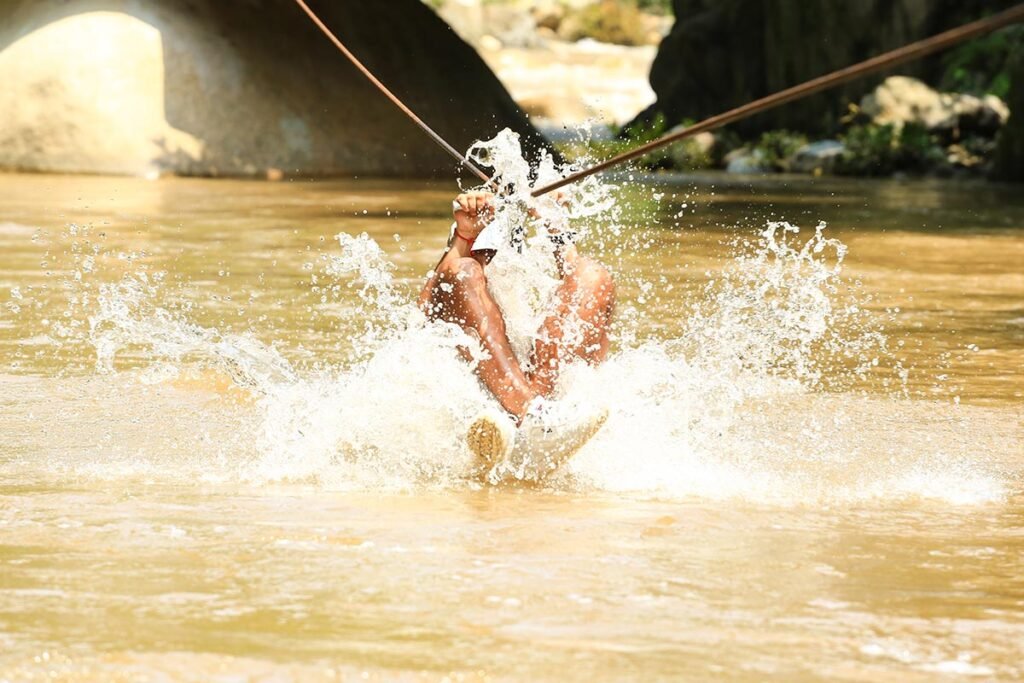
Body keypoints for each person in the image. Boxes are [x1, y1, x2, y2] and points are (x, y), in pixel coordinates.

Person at [419, 190, 615, 483]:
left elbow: (580, 281)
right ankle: (536, 422)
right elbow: (429, 307)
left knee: (593, 275)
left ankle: (540, 424)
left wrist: (556, 226)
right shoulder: (460, 269)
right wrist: (465, 236)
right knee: (460, 273)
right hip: (486, 402)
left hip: (547, 399)